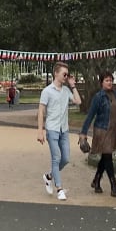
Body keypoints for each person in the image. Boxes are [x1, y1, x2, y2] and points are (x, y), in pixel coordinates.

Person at [37, 61, 81, 201]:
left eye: (67, 74)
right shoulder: (47, 91)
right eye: (64, 74)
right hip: (52, 129)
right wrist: (40, 131)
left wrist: (73, 86)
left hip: (64, 129)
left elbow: (78, 101)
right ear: (56, 73)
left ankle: (49, 176)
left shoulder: (66, 90)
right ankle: (59, 189)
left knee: (65, 159)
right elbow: (41, 111)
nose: (66, 77)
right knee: (56, 158)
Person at [79, 71, 116, 197]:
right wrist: (83, 132)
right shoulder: (98, 97)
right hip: (102, 130)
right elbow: (90, 115)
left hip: (113, 130)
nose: (109, 82)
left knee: (106, 157)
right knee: (108, 156)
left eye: (111, 80)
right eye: (107, 80)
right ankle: (114, 186)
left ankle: (96, 180)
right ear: (101, 83)